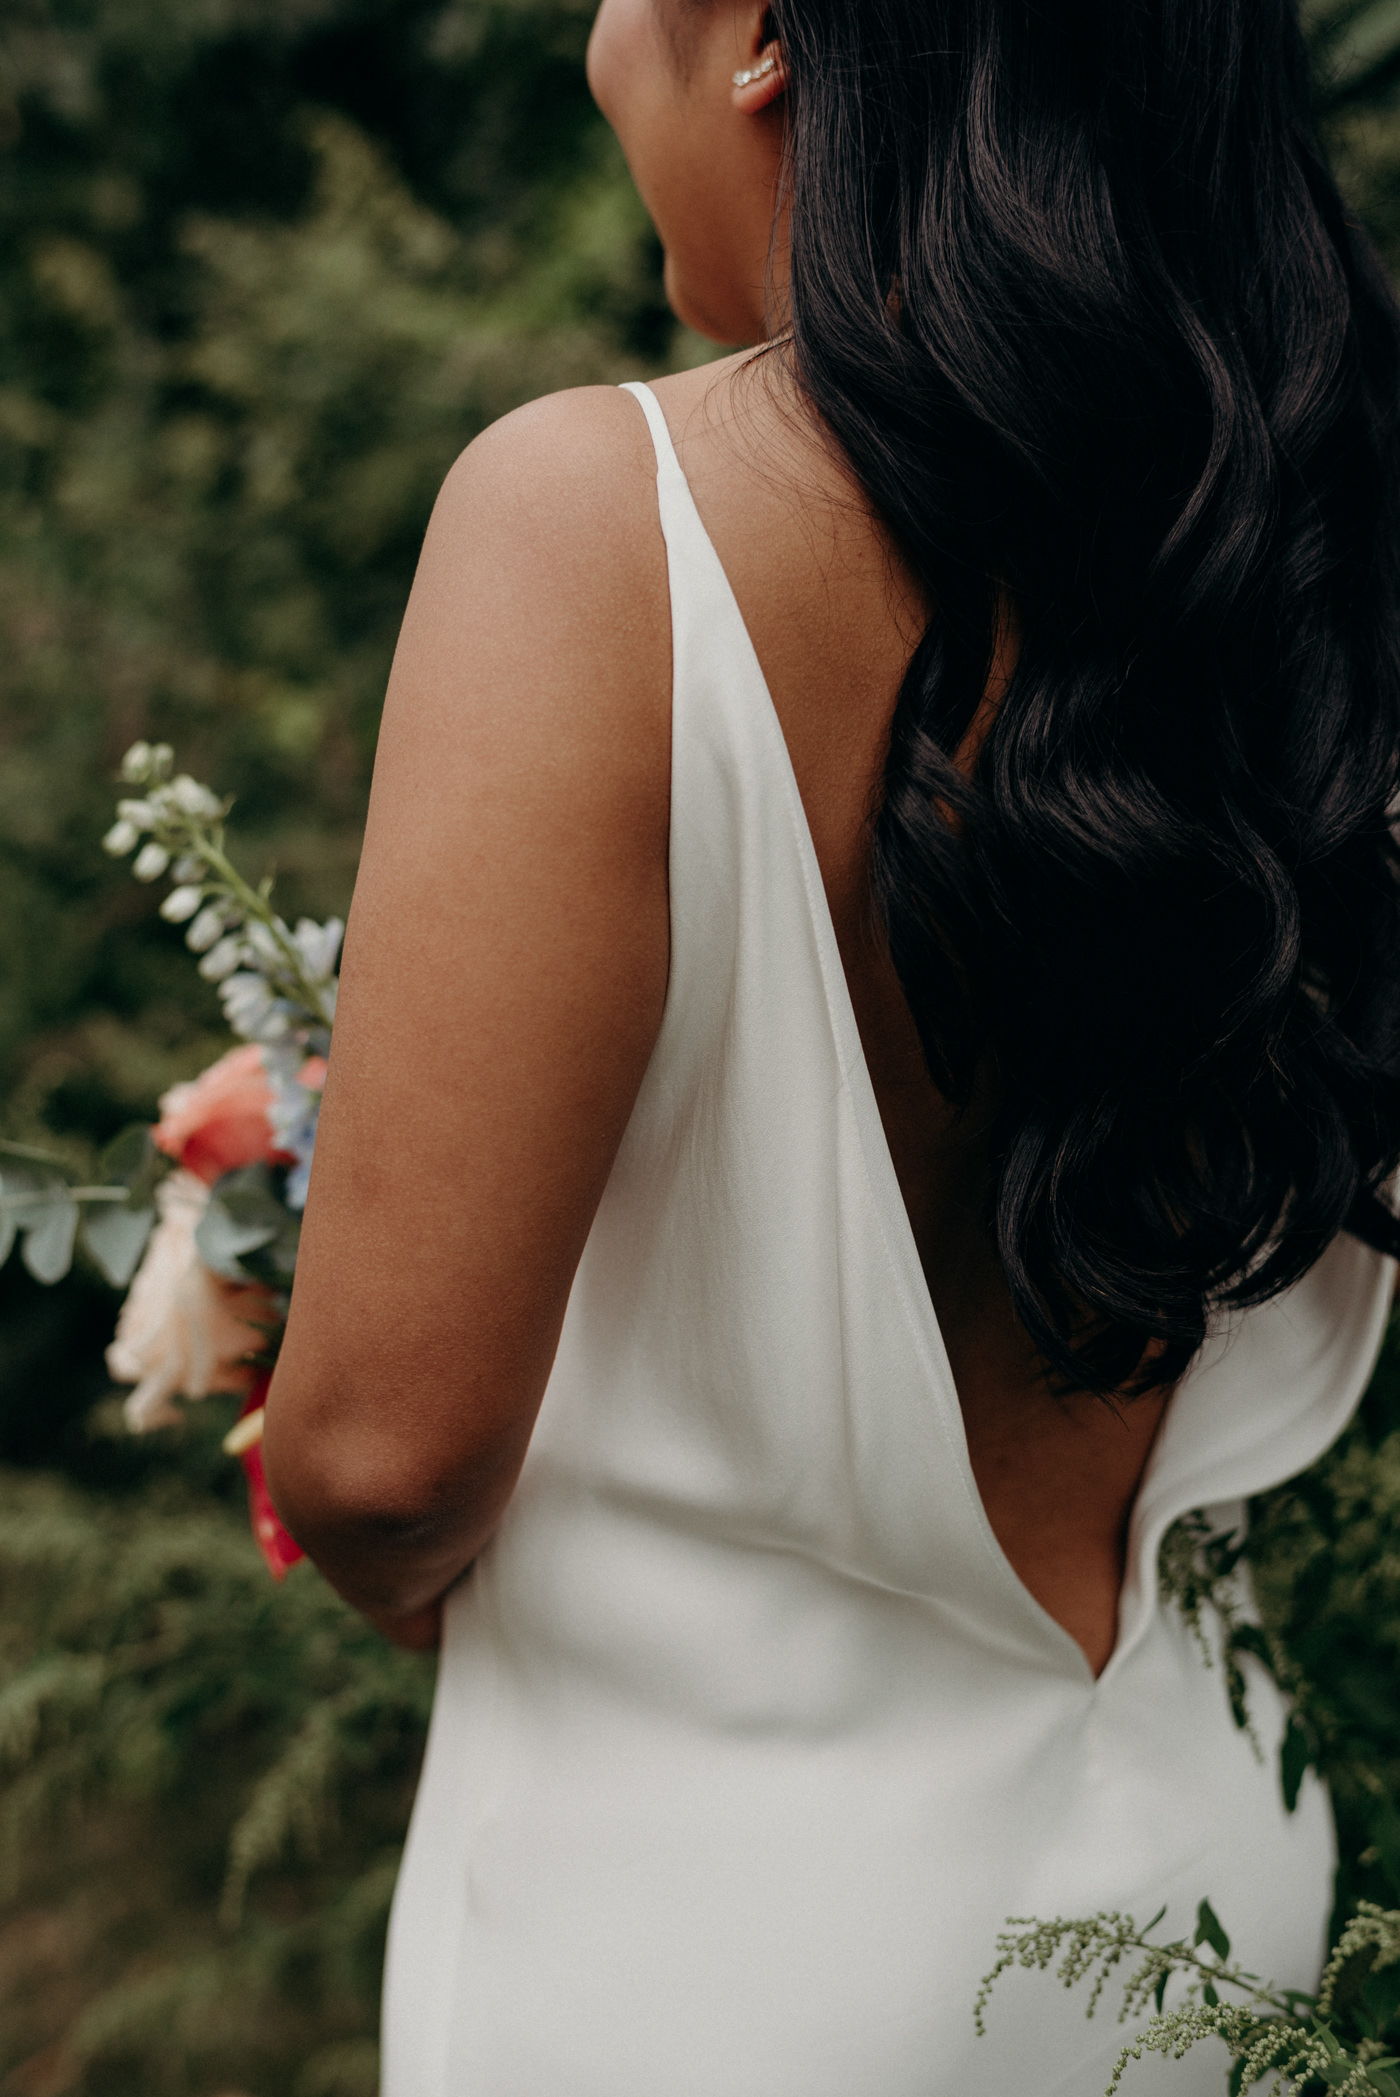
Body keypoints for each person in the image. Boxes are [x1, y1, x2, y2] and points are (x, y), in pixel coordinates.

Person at [261, 0, 1400, 2088]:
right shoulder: (1298, 557)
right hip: (1197, 1907)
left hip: (702, 1958)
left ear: (770, 31)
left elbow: (381, 1453)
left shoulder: (594, 517)